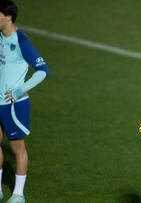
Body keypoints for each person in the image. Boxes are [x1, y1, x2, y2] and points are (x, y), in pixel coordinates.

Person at [0, 0, 49, 202]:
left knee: (17, 148)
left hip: (14, 104)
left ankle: (18, 194)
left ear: (8, 17)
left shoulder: (21, 40)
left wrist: (20, 90)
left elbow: (43, 71)